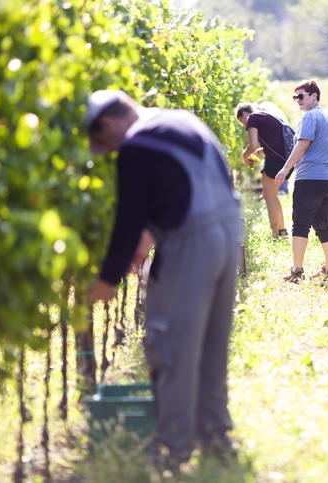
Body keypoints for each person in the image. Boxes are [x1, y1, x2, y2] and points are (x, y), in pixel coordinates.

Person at [84, 90, 243, 468]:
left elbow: (128, 220)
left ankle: (173, 450)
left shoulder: (136, 145)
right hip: (228, 234)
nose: (109, 153)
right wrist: (154, 233)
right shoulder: (183, 120)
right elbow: (184, 188)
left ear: (108, 125)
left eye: (104, 145)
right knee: (211, 343)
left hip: (192, 244)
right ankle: (217, 437)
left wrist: (106, 281)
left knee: (171, 345)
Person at [274, 79, 328, 282]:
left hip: (310, 179)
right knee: (324, 225)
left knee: (300, 224)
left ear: (314, 96)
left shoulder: (310, 117)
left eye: (301, 96)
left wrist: (285, 168)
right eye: (295, 97)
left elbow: (302, 145)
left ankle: (297, 270)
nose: (297, 100)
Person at [236, 102, 292, 239]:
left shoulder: (253, 118)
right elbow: (274, 143)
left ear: (244, 114)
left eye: (243, 123)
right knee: (273, 195)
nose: (245, 126)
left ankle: (274, 235)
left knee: (268, 196)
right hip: (286, 159)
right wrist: (259, 152)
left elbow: (252, 144)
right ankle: (282, 230)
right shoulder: (266, 115)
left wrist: (245, 155)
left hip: (275, 161)